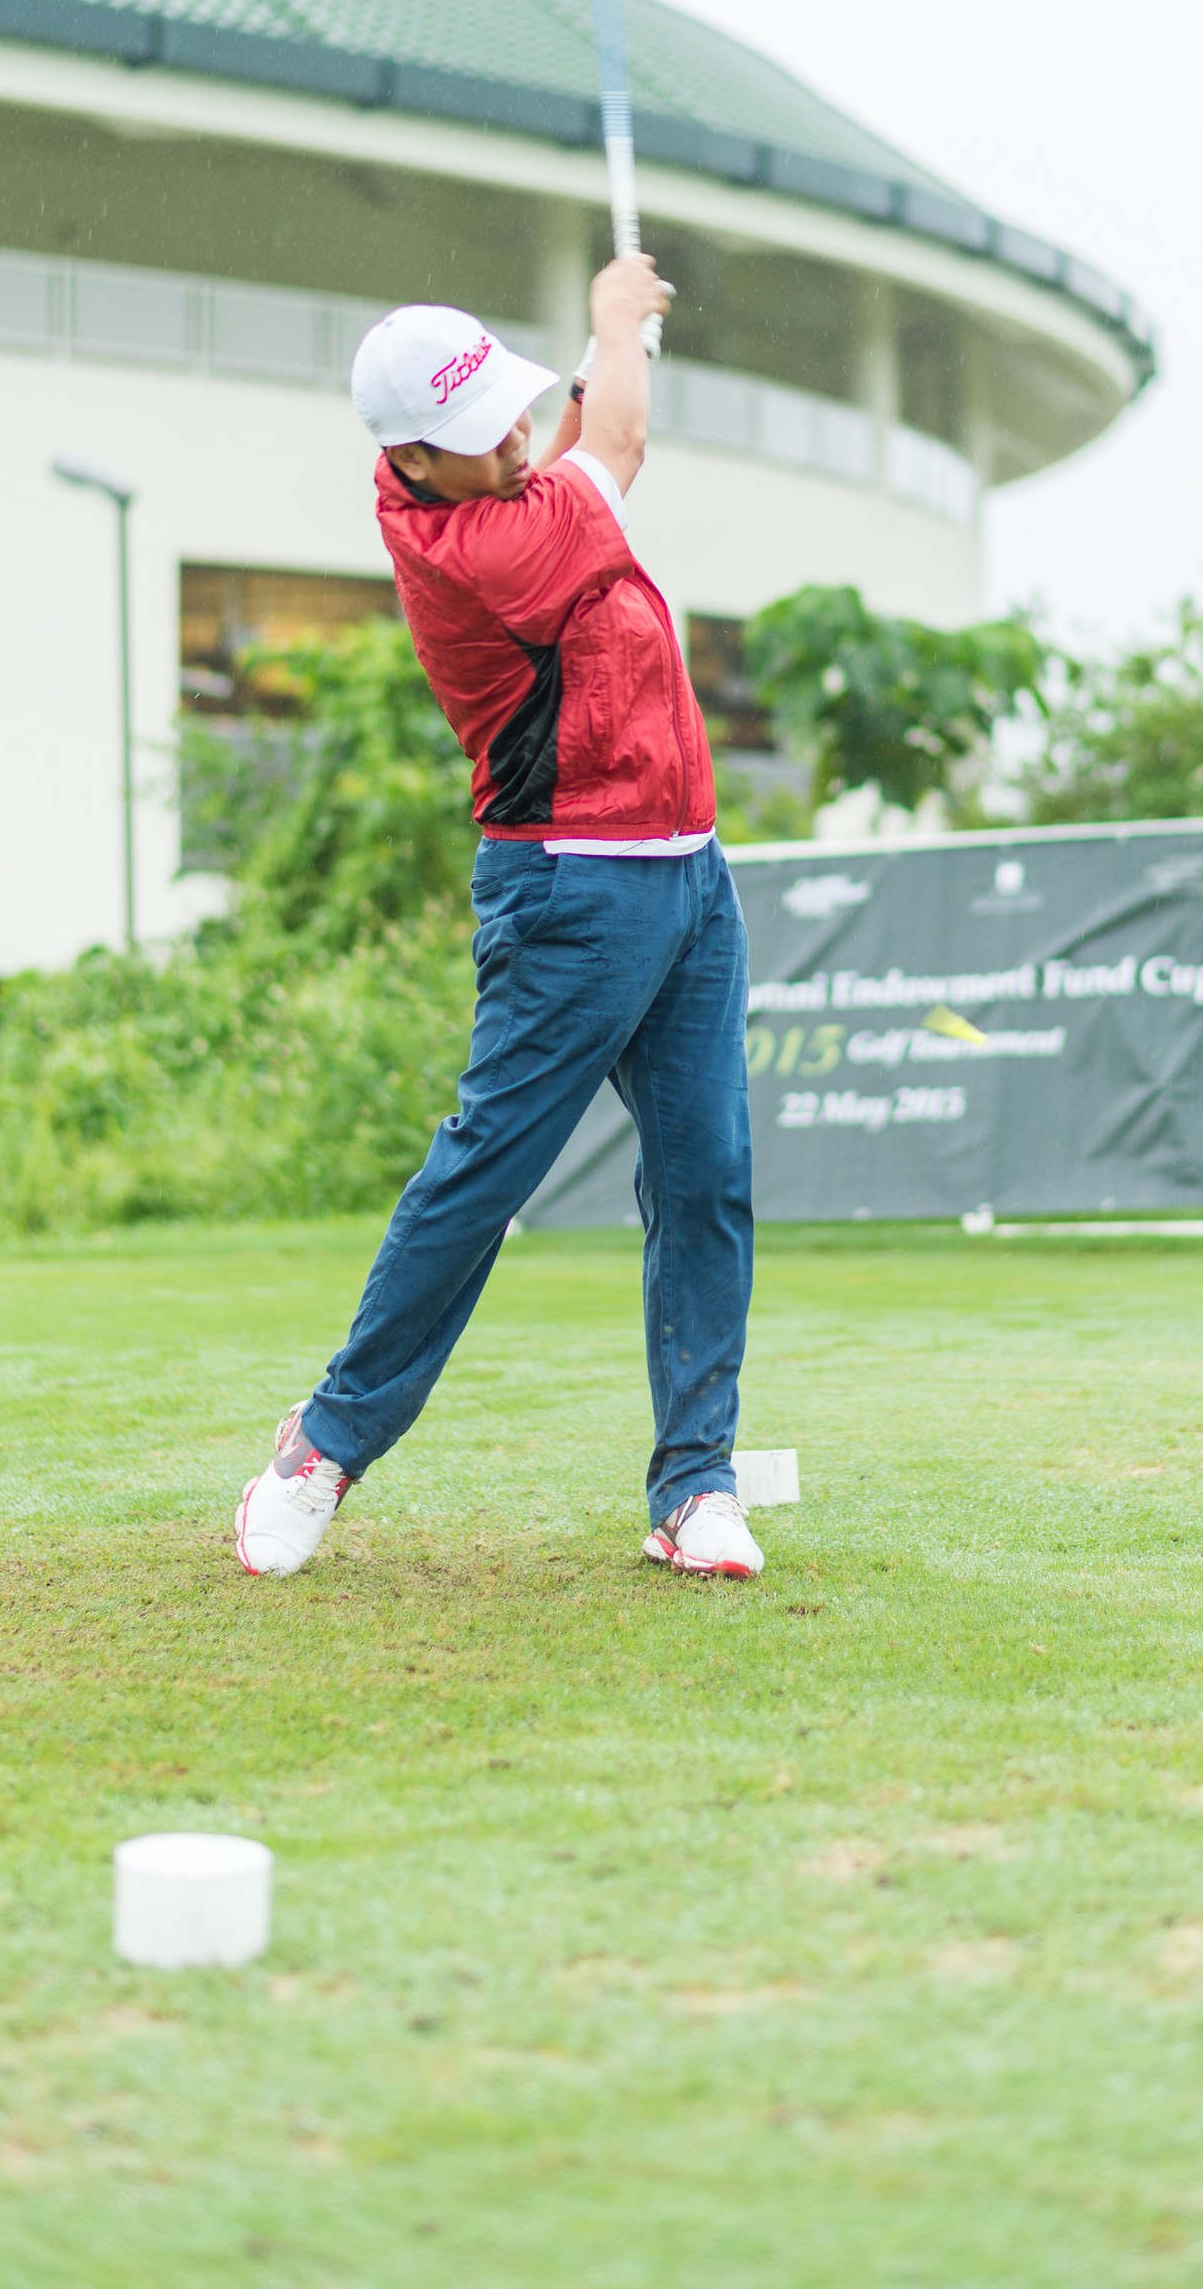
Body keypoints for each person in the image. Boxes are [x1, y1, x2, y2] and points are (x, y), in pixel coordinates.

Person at [235, 251, 762, 1581]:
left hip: (688, 871)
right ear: (413, 458)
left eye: (513, 407)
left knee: (706, 1179)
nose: (517, 437)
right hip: (574, 888)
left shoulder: (492, 485)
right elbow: (616, 445)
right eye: (483, 431)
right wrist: (617, 322)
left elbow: (576, 442)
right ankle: (324, 1444)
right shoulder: (480, 547)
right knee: (487, 1177)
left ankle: (695, 1486)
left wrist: (597, 359)